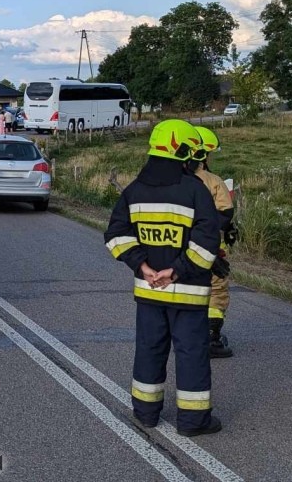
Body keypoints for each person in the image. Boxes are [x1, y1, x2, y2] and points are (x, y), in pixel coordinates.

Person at [104, 119, 223, 437]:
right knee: (191, 354)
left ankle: (145, 413)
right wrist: (177, 270)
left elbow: (116, 234)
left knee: (149, 349)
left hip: (149, 291)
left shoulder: (134, 190)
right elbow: (208, 241)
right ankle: (193, 421)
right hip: (187, 294)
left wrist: (141, 266)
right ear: (183, 151)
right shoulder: (195, 189)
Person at [189, 126, 237, 358]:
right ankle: (212, 339)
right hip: (211, 248)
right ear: (203, 154)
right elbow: (225, 213)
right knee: (216, 291)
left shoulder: (172, 181)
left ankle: (187, 335)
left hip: (180, 249)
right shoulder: (213, 181)